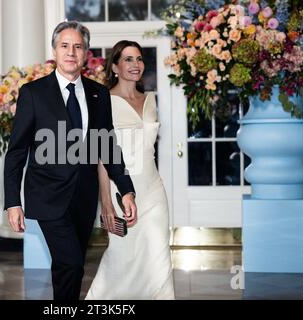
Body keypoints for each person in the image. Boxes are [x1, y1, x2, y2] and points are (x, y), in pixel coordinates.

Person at [3, 22, 137, 300]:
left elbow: (107, 144)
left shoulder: (98, 94)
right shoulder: (33, 93)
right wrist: (12, 202)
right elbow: (16, 152)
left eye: (77, 46)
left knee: (70, 267)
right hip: (48, 195)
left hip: (84, 198)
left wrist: (126, 189)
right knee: (71, 263)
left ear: (86, 53)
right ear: (55, 50)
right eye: (64, 45)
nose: (71, 52)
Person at [85, 40, 175, 300]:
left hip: (153, 189)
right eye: (128, 59)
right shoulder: (103, 101)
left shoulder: (150, 99)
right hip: (120, 188)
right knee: (121, 256)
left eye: (139, 59)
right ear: (115, 66)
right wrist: (106, 202)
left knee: (158, 257)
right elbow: (102, 156)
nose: (135, 65)